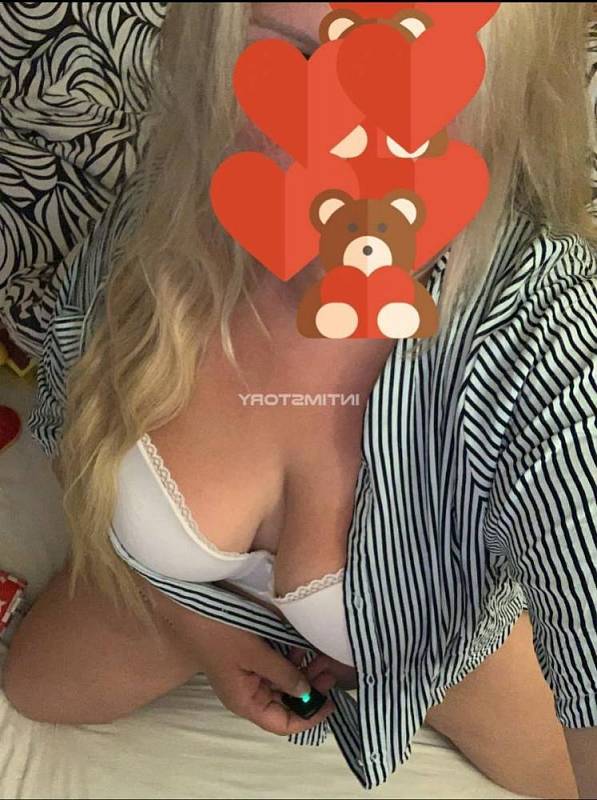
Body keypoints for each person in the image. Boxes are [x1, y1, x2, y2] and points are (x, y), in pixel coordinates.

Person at [0, 3, 595, 798]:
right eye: (296, 62)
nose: (343, 136)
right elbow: (64, 412)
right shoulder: (156, 225)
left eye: (401, 80)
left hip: (433, 650)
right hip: (176, 602)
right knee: (35, 687)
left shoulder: (546, 331)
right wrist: (199, 624)